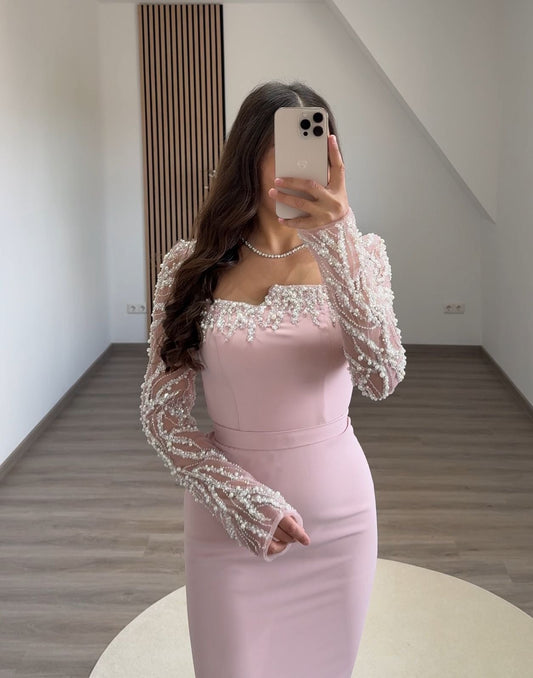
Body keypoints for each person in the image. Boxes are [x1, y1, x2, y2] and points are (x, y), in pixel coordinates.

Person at [140, 80, 406, 678]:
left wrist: (337, 241)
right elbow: (162, 417)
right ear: (248, 158)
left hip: (339, 520)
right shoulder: (189, 265)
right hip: (227, 525)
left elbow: (382, 376)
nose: (301, 165)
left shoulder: (363, 255)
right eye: (284, 149)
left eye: (316, 147)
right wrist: (245, 505)